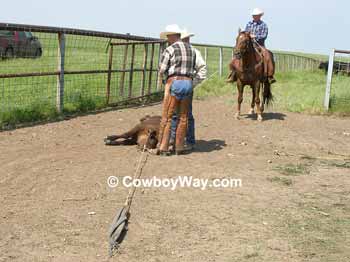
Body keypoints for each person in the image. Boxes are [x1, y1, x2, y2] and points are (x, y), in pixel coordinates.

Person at [157, 24, 197, 156]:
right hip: (188, 83)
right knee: (184, 117)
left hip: (175, 82)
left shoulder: (170, 49)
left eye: (168, 36)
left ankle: (163, 147)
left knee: (168, 116)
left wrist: (163, 77)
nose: (168, 38)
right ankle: (179, 147)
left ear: (174, 35)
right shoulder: (191, 49)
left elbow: (162, 69)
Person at [170, 29, 207, 152]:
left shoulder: (192, 51)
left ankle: (177, 141)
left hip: (178, 85)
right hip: (183, 84)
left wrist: (193, 83)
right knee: (182, 114)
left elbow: (202, 70)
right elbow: (202, 70)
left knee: (180, 114)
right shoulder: (189, 51)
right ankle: (181, 141)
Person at [228, 8, 276, 84]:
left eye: (256, 15)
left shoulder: (263, 25)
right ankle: (233, 73)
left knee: (267, 55)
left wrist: (255, 36)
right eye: (253, 15)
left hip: (259, 44)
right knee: (237, 55)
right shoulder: (249, 24)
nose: (254, 16)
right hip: (248, 44)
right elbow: (246, 33)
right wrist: (246, 35)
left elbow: (264, 35)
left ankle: (269, 75)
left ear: (260, 16)